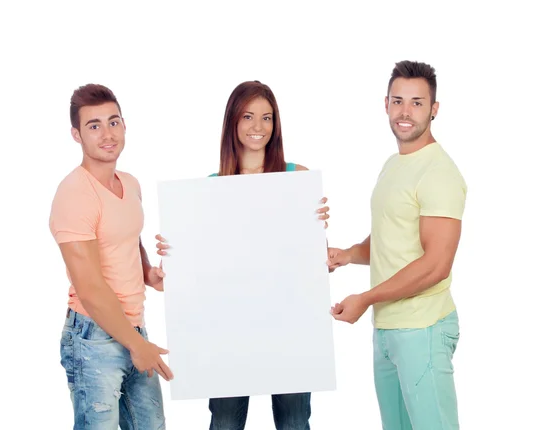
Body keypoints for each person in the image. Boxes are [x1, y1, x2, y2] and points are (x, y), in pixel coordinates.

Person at [155, 80, 330, 430]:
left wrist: (317, 231)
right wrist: (171, 255)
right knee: (224, 423)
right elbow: (186, 275)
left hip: (289, 326)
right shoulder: (209, 187)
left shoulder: (298, 178)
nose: (258, 127)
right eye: (248, 116)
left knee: (295, 422)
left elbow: (316, 265)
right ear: (233, 122)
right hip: (228, 330)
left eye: (267, 118)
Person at [328, 61, 467, 430]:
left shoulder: (439, 172)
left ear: (434, 109)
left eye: (417, 102)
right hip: (387, 329)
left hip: (423, 328)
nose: (405, 112)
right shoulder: (394, 164)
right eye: (398, 101)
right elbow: (391, 237)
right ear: (386, 104)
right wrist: (346, 255)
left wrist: (366, 298)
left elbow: (437, 264)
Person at [49, 83, 173, 429]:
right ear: (76, 135)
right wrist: (137, 344)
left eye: (113, 122)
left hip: (133, 326)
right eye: (94, 125)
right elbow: (89, 287)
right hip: (93, 335)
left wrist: (148, 272)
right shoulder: (74, 194)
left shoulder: (129, 183)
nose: (107, 134)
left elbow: (128, 237)